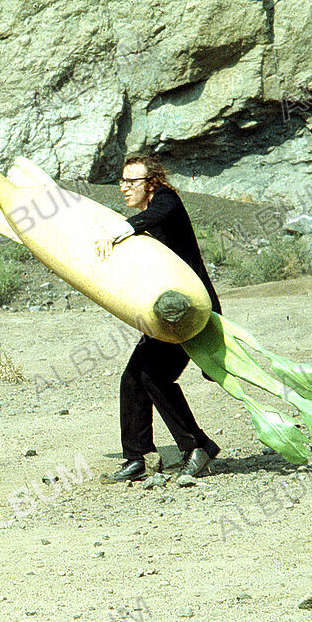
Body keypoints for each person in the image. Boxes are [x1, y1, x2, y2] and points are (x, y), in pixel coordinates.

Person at [95, 156, 221, 482]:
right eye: (122, 181)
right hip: (168, 314)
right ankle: (138, 457)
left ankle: (198, 446)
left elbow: (156, 214)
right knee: (133, 378)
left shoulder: (167, 200)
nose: (124, 187)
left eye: (132, 181)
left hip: (190, 312)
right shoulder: (149, 211)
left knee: (154, 376)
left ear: (151, 182)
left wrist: (119, 230)